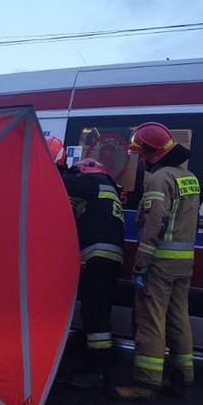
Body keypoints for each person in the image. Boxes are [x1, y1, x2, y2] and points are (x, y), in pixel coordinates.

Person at [115, 122, 201, 400]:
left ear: (151, 152)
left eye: (141, 153)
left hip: (160, 262)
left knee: (150, 320)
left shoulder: (159, 179)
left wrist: (141, 264)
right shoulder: (189, 177)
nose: (139, 159)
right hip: (184, 262)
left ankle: (146, 382)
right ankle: (182, 375)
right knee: (179, 318)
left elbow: (153, 224)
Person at [62, 158, 125, 390]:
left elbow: (62, 183)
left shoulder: (93, 182)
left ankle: (99, 370)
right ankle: (93, 361)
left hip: (97, 259)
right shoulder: (107, 188)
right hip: (109, 260)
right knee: (96, 312)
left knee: (95, 315)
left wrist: (50, 168)